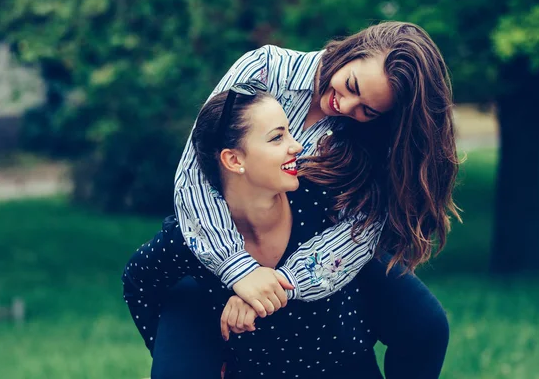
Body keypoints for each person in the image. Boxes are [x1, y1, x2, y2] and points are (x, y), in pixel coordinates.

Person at [145, 21, 459, 378]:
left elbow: (360, 228)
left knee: (426, 325)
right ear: (351, 51)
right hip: (223, 235)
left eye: (368, 109)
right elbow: (196, 172)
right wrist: (239, 269)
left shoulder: (367, 137)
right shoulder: (265, 69)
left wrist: (273, 286)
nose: (347, 105)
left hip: (319, 250)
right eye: (352, 86)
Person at [124, 82, 383, 378]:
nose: (296, 146)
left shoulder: (322, 200)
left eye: (289, 131)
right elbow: (138, 282)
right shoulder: (193, 239)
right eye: (277, 137)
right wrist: (184, 357)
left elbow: (371, 219)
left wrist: (267, 292)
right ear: (234, 160)